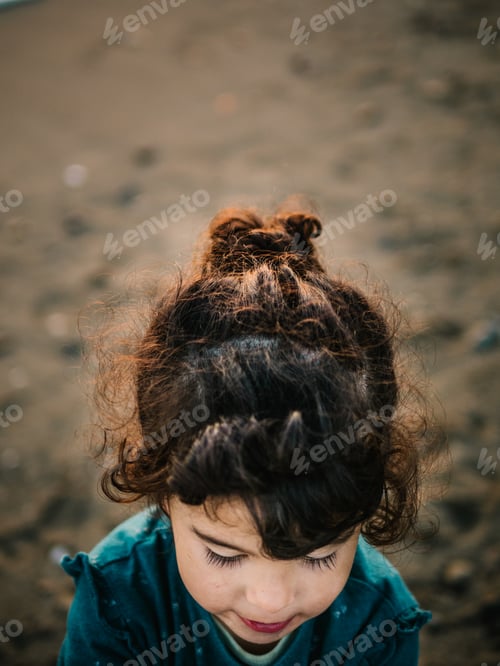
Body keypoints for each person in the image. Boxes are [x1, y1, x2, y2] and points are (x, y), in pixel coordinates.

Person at [58, 204, 442, 665]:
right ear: (162, 493)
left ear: (365, 510)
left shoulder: (377, 623)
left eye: (319, 556)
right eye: (222, 555)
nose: (270, 600)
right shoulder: (119, 597)